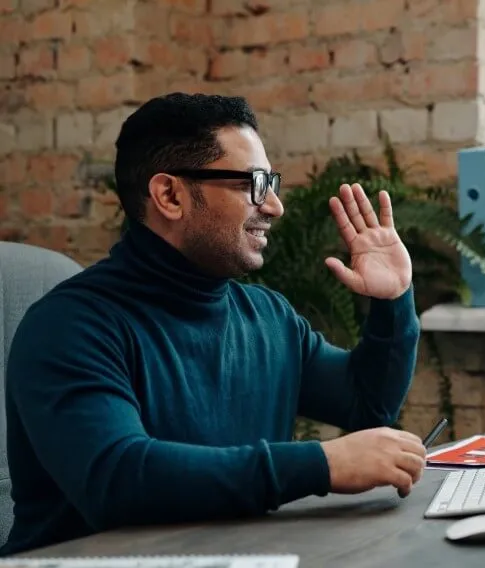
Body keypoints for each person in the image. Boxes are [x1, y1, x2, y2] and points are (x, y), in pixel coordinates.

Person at [1, 93, 426, 556]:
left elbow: (366, 402)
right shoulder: (69, 328)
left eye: (272, 183)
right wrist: (320, 464)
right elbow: (118, 480)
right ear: (170, 195)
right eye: (254, 184)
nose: (275, 206)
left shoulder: (268, 317)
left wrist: (393, 301)